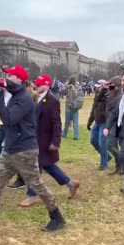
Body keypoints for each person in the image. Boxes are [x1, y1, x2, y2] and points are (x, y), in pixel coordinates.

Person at [0, 66, 65, 240]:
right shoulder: (16, 96)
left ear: (19, 79)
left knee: (37, 185)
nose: (6, 77)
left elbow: (9, 120)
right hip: (10, 150)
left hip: (24, 151)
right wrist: (0, 97)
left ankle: (57, 217)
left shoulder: (23, 99)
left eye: (10, 75)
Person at [19, 74, 79, 207]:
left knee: (34, 167)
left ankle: (31, 195)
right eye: (36, 84)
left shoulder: (52, 100)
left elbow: (56, 123)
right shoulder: (35, 98)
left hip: (44, 140)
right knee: (46, 166)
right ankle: (70, 183)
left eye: (39, 84)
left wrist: (55, 142)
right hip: (34, 138)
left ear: (47, 85)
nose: (36, 86)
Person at [87, 80, 110, 170]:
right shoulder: (97, 95)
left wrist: (105, 90)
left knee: (102, 143)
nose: (98, 87)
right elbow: (94, 109)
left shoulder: (108, 94)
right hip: (97, 121)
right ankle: (107, 156)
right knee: (93, 140)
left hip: (105, 121)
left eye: (100, 86)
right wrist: (90, 121)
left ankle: (104, 164)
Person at [105, 76, 123, 175]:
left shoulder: (120, 96)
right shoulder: (110, 94)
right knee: (112, 145)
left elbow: (116, 111)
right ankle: (119, 167)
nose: (109, 87)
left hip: (116, 124)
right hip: (110, 123)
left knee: (110, 145)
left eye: (111, 85)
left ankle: (123, 163)